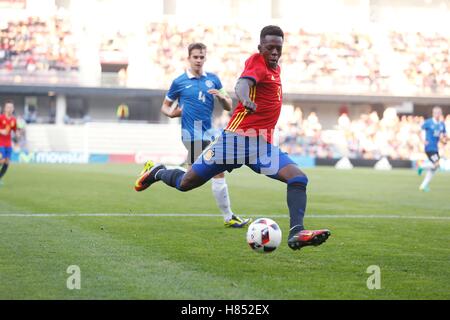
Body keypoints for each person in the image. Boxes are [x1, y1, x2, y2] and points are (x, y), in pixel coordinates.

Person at [134, 26, 331, 250]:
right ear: (260, 48)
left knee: (298, 178)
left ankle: (297, 233)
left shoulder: (276, 70)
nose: (274, 52)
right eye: (269, 48)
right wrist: (244, 98)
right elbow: (242, 84)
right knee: (185, 183)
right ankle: (157, 172)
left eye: (278, 48)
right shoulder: (257, 61)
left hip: (261, 147)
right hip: (234, 142)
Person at [137, 42, 250, 228]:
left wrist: (222, 98)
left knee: (192, 176)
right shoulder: (179, 82)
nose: (198, 60)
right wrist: (172, 113)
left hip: (209, 133)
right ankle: (229, 217)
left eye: (201, 57)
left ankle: (156, 170)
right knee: (217, 171)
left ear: (205, 58)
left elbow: (229, 105)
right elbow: (165, 106)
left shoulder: (213, 80)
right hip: (191, 134)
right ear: (188, 58)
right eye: (195, 57)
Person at [417, 106, 447, 192]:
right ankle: (421, 166)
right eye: (436, 113)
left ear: (441, 114)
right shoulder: (428, 122)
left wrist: (444, 141)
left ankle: (423, 186)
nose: (437, 114)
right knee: (437, 164)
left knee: (434, 169)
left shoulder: (442, 124)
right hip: (429, 147)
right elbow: (419, 130)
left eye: (439, 113)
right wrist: (423, 140)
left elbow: (443, 137)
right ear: (433, 114)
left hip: (436, 148)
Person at [0, 100, 18, 184]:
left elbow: (15, 130)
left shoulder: (13, 120)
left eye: (11, 107)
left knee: (7, 161)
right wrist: (1, 131)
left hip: (8, 144)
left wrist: (17, 133)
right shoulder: (1, 118)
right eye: (8, 107)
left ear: (13, 109)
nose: (9, 109)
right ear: (5, 108)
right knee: (2, 160)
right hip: (0, 143)